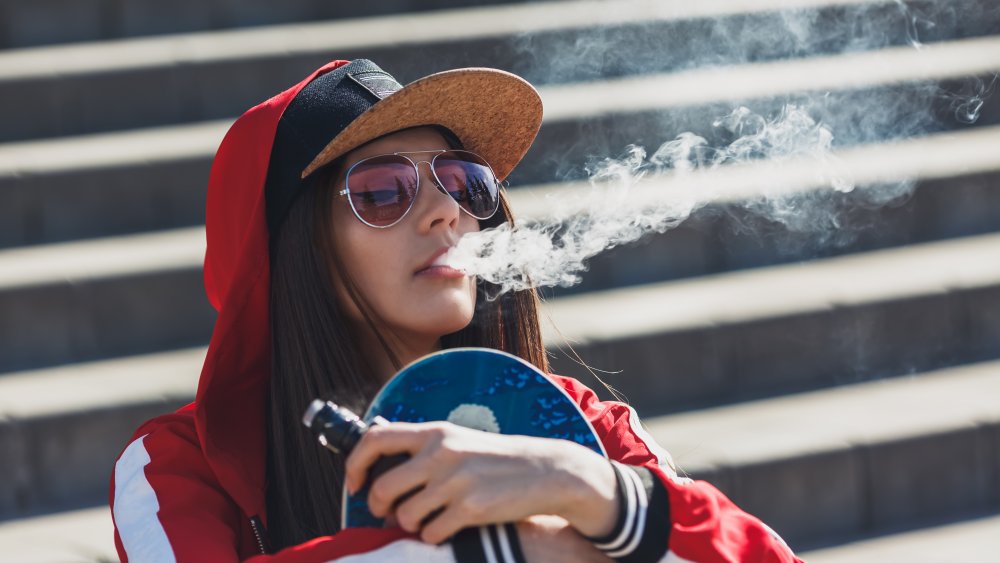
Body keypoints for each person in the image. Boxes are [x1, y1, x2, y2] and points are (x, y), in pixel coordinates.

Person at [109, 58, 803, 563]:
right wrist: (518, 547)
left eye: (464, 182)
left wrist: (588, 487)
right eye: (383, 191)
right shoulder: (172, 465)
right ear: (291, 255)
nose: (447, 211)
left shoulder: (576, 422)